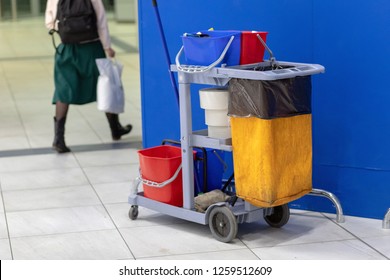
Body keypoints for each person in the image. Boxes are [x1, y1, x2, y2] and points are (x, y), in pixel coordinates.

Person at [45, 0, 132, 153]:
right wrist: (107, 46)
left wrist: (65, 32)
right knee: (106, 86)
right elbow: (101, 21)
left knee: (63, 90)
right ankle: (115, 129)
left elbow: (49, 22)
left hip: (67, 50)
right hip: (92, 48)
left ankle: (58, 139)